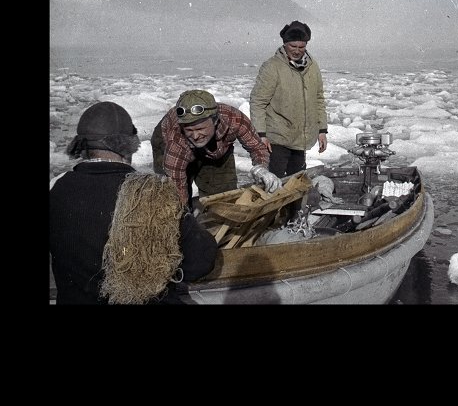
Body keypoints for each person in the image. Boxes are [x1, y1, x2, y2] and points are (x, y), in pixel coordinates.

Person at [50, 101, 218, 304]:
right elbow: (202, 260)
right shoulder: (152, 194)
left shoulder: (59, 191)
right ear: (129, 146)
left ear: (82, 147)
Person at [152, 89, 281, 208]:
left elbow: (256, 146)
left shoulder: (234, 119)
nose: (195, 136)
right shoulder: (176, 140)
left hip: (217, 148)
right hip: (170, 145)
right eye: (189, 130)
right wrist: (182, 215)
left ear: (215, 121)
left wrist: (261, 168)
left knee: (223, 199)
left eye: (200, 129)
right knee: (171, 200)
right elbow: (176, 187)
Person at [249, 20, 328, 179]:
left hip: (300, 138)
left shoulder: (312, 66)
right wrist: (261, 135)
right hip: (276, 139)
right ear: (285, 44)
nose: (297, 51)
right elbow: (258, 102)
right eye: (293, 46)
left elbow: (318, 99)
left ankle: (296, 205)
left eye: (301, 47)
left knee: (296, 183)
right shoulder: (272, 67)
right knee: (274, 183)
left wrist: (322, 130)